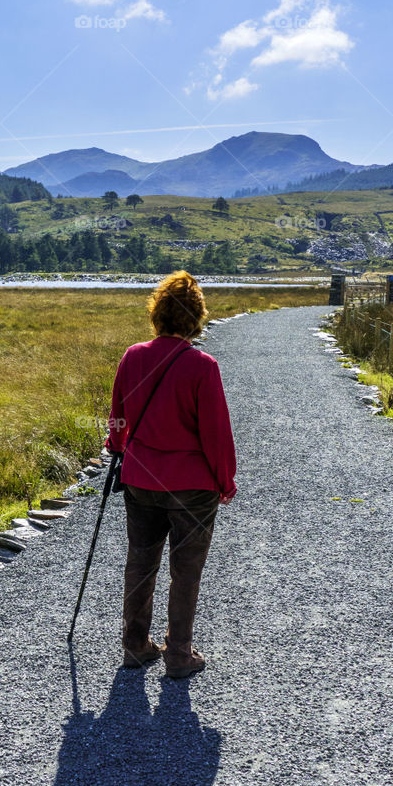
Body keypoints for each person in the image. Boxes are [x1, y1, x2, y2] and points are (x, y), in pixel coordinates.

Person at [105, 271, 236, 678]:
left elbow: (118, 418)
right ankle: (179, 653)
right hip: (192, 487)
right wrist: (225, 481)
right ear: (196, 317)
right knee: (186, 569)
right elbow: (215, 432)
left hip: (141, 479)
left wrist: (116, 448)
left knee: (140, 563)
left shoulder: (133, 356)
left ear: (156, 314)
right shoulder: (202, 365)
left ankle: (135, 646)